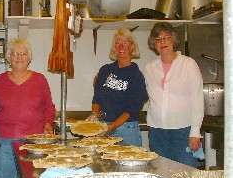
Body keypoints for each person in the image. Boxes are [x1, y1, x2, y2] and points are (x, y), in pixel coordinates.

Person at [0, 37, 56, 178]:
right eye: (14, 53)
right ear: (9, 58)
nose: (18, 57)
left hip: (32, 143)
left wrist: (48, 124)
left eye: (23, 53)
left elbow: (49, 107)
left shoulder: (40, 80)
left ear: (29, 58)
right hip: (3, 142)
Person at [144, 22, 204, 167]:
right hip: (157, 131)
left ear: (173, 40)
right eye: (158, 39)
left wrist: (195, 132)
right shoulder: (150, 67)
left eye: (166, 37)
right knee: (161, 173)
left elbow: (197, 99)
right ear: (154, 43)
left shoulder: (188, 64)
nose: (162, 42)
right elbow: (139, 91)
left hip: (183, 131)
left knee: (186, 174)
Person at [87, 28, 148, 146]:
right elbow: (97, 98)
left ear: (132, 47)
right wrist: (94, 116)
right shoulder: (105, 70)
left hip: (126, 130)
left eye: (125, 43)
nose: (121, 47)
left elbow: (133, 108)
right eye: (118, 43)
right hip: (104, 127)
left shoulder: (136, 75)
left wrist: (113, 126)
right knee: (104, 164)